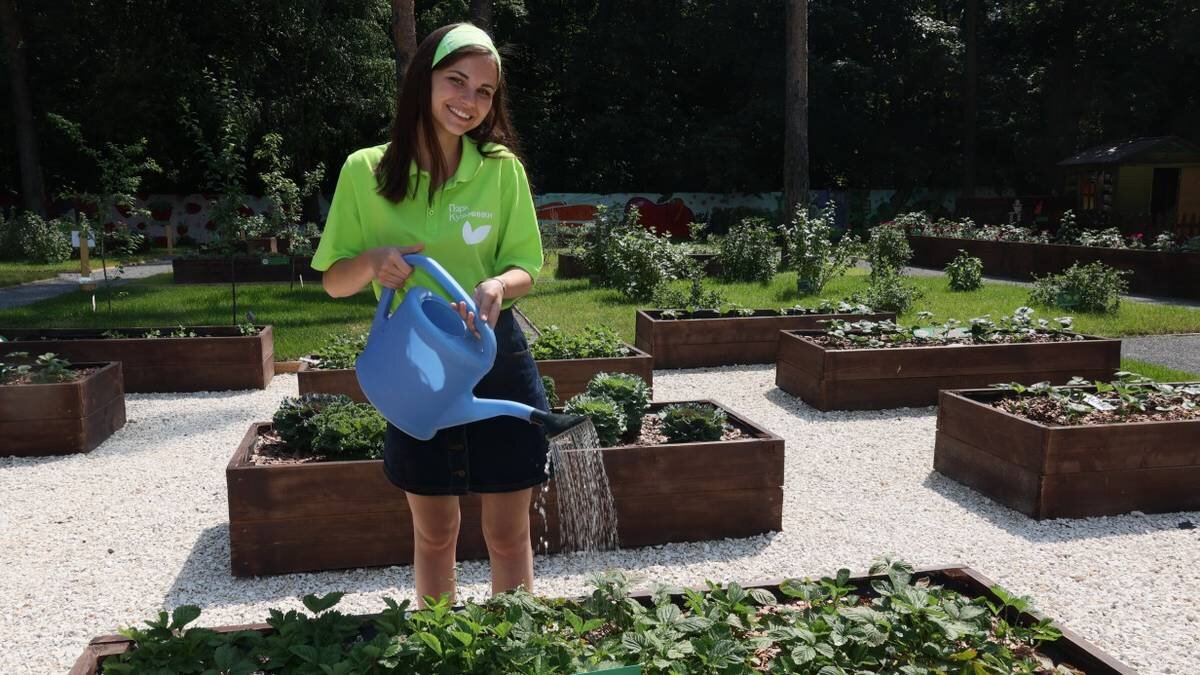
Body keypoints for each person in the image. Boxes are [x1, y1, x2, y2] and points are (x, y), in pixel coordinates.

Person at [311, 22, 548, 607]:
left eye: (485, 91)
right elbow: (335, 282)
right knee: (436, 531)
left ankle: (510, 648)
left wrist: (497, 282)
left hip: (495, 353)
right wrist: (371, 261)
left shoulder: (500, 169)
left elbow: (526, 265)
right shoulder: (365, 171)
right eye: (456, 81)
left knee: (508, 532)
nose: (468, 102)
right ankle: (440, 646)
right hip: (413, 364)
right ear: (424, 80)